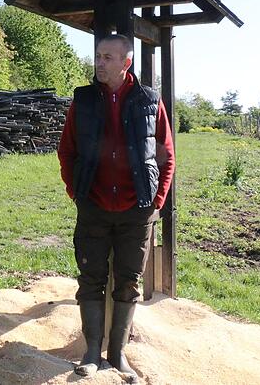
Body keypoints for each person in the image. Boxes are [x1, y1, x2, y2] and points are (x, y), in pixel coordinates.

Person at [57, 34, 175, 378]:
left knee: (128, 280)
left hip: (136, 210)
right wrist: (75, 191)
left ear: (127, 62)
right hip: (92, 205)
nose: (99, 62)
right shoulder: (83, 100)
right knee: (90, 278)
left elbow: (166, 155)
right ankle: (92, 352)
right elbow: (67, 150)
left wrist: (157, 199)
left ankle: (118, 354)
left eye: (108, 57)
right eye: (97, 56)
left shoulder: (150, 101)